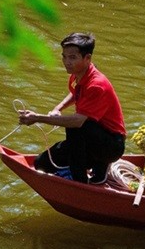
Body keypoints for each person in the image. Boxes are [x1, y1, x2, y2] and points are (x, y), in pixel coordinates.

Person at [18, 32, 126, 184]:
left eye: (72, 57)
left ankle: (82, 180)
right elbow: (75, 93)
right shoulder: (79, 74)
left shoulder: (97, 85)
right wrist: (58, 108)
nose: (66, 62)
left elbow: (77, 122)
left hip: (110, 145)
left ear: (87, 58)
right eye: (64, 56)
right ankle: (94, 167)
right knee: (41, 163)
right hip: (92, 139)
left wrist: (37, 118)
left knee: (75, 127)